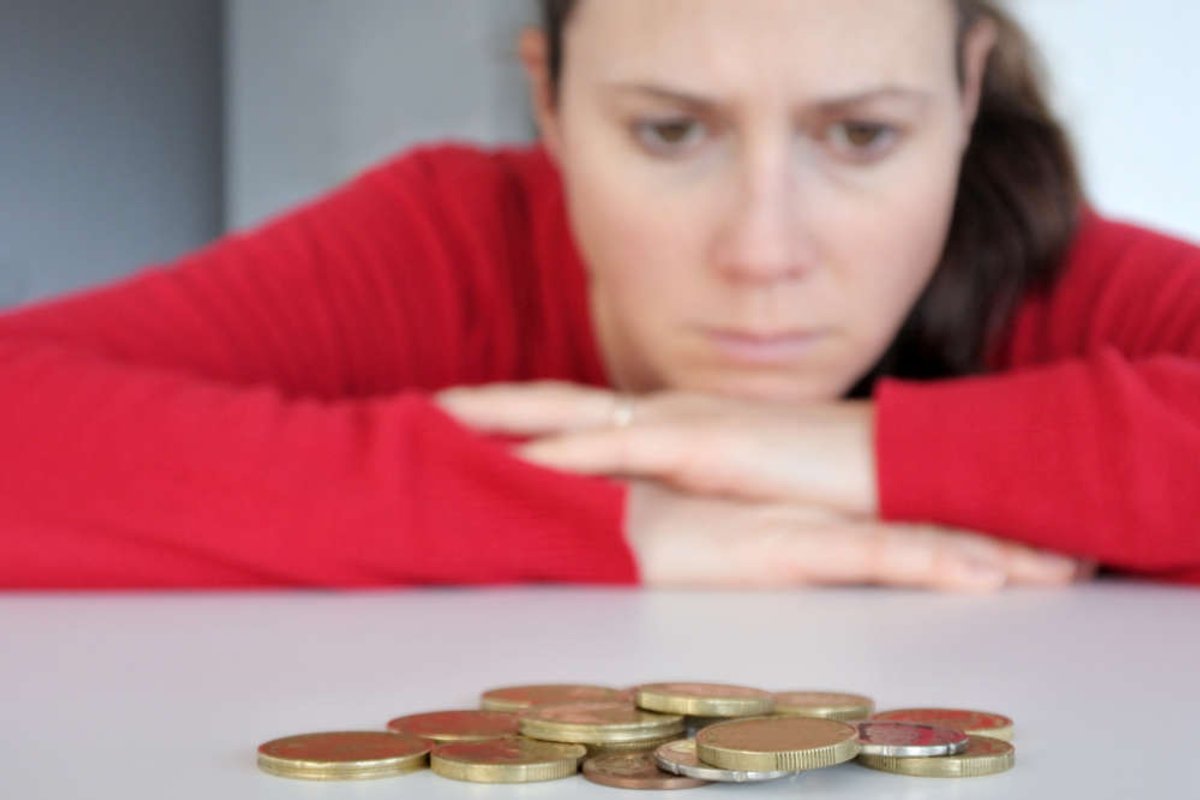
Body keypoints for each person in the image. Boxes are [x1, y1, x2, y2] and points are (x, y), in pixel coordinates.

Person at [1, 0, 1197, 592]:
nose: (762, 251)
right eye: (671, 131)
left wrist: (832, 451)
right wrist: (611, 513)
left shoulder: (1029, 261)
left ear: (967, 91)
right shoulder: (454, 241)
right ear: (551, 101)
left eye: (864, 135)